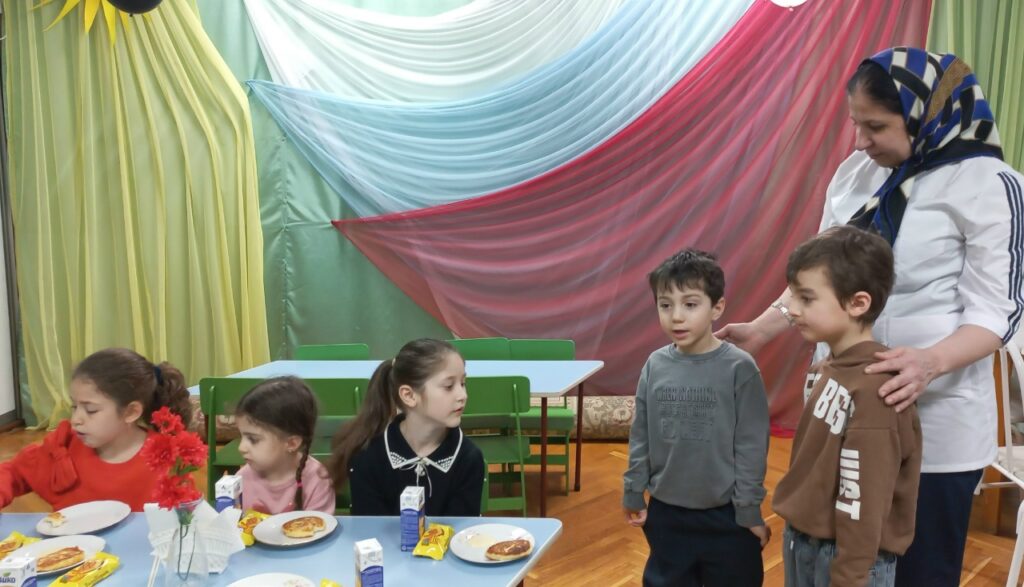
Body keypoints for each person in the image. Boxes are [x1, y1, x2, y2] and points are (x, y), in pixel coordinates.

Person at [717, 47, 1023, 586]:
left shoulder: (989, 184)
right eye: (855, 124)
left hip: (934, 418)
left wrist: (929, 362)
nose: (861, 141)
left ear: (927, 115)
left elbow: (997, 310)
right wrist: (762, 329)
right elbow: (820, 275)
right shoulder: (856, 174)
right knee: (837, 563)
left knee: (921, 570)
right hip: (841, 412)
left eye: (876, 126)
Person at [773, 226, 922, 586]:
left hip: (846, 560)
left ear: (858, 303)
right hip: (804, 541)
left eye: (806, 299)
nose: (792, 309)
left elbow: (864, 497)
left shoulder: (874, 391)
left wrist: (852, 574)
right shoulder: (830, 368)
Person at [623, 249, 770, 587]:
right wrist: (633, 490)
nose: (676, 317)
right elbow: (641, 435)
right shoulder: (655, 365)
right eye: (665, 305)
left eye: (690, 304)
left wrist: (749, 511)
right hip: (666, 514)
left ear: (717, 307)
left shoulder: (740, 368)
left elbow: (751, 446)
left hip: (727, 516)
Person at [0, 348, 193, 511]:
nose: (76, 420)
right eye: (74, 407)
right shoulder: (64, 446)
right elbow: (14, 472)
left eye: (91, 410)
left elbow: (184, 518)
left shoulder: (165, 457)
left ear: (131, 412)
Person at [328, 338, 485, 516]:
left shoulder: (469, 458)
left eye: (463, 383)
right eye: (449, 386)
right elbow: (369, 528)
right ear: (409, 396)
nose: (462, 395)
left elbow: (462, 529)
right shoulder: (368, 456)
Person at [235, 376, 335, 514]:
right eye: (241, 436)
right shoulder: (241, 479)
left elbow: (319, 524)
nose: (241, 448)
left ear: (292, 443)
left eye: (253, 439)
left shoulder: (317, 480)